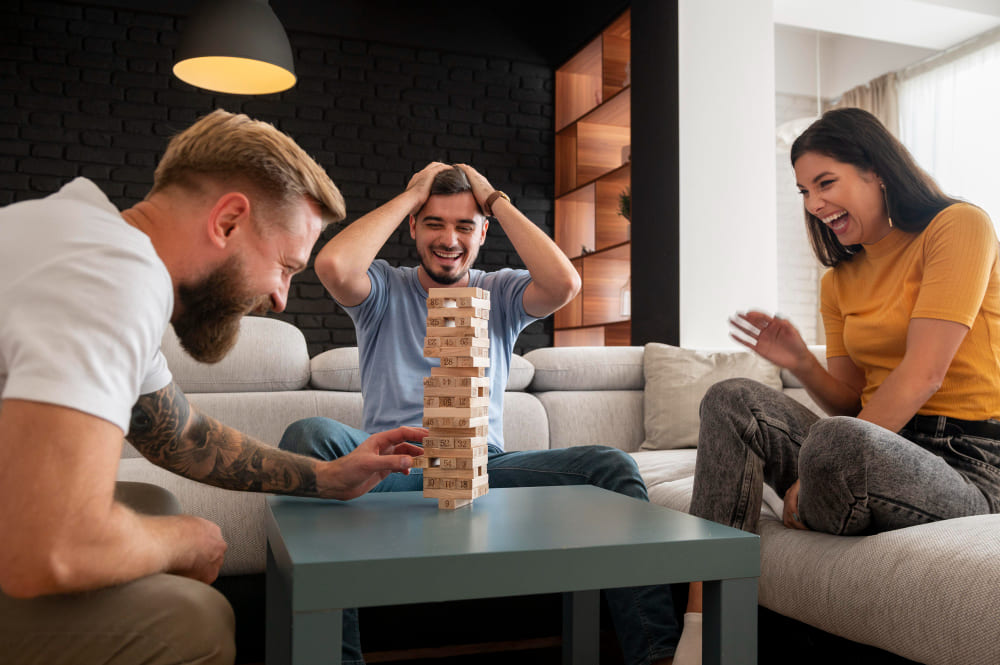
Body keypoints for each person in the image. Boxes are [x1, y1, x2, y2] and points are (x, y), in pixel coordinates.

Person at [0, 109, 425, 665]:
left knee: (149, 501)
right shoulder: (110, 277)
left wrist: (326, 476)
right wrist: (188, 539)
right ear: (227, 221)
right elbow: (55, 550)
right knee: (191, 622)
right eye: (285, 266)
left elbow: (179, 435)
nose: (280, 298)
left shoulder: (80, 235)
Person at [279, 162, 680, 665]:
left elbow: (563, 285)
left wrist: (494, 199)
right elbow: (333, 266)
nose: (449, 239)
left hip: (483, 468)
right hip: (392, 469)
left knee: (613, 466)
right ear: (414, 228)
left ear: (483, 231)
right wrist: (412, 194)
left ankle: (657, 655)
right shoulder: (382, 288)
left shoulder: (501, 292)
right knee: (308, 435)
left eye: (464, 225)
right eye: (434, 223)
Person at [674, 107, 1000, 665]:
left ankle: (822, 492)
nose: (813, 204)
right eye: (803, 190)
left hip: (968, 461)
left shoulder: (959, 227)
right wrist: (800, 361)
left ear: (878, 171)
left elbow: (925, 373)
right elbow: (849, 398)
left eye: (825, 183)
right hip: (874, 449)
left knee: (836, 442)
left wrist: (814, 466)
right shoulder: (839, 280)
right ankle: (702, 629)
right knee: (730, 398)